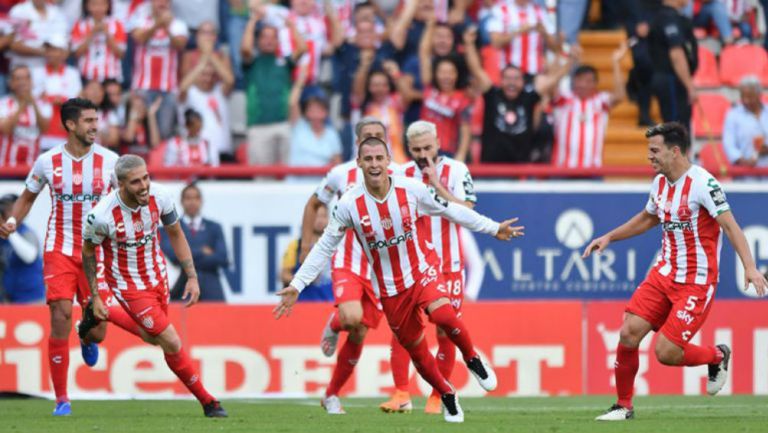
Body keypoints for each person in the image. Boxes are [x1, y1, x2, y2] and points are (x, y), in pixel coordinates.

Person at [276, 136, 525, 423]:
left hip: (421, 271)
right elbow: (324, 247)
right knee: (418, 353)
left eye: (379, 158)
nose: (374, 164)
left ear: (387, 161)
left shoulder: (411, 189)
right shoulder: (349, 204)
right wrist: (297, 284)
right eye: (367, 159)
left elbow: (451, 209)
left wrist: (493, 228)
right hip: (390, 289)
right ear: (359, 164)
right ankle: (446, 393)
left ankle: (472, 358)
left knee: (444, 314)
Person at [583, 122, 767, 421]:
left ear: (675, 151)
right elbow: (648, 218)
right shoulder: (659, 183)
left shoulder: (704, 184)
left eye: (655, 151)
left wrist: (750, 266)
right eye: (648, 151)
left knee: (666, 353)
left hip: (696, 282)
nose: (649, 157)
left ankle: (717, 355)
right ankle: (623, 405)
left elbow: (730, 226)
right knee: (628, 333)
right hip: (664, 273)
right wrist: (609, 237)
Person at [0, 98, 142, 416]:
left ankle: (86, 335)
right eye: (89, 120)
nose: (95, 126)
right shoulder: (48, 161)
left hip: (96, 253)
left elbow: (127, 202)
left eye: (96, 120)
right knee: (60, 315)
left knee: (98, 329)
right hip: (59, 249)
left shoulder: (111, 162)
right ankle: (62, 399)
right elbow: (26, 198)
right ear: (71, 125)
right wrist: (11, 223)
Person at [82, 155, 227, 418]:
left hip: (157, 277)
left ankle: (102, 312)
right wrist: (97, 293)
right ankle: (209, 402)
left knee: (152, 337)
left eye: (146, 177)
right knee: (171, 341)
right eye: (136, 181)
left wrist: (192, 276)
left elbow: (175, 233)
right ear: (121, 184)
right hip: (128, 286)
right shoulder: (101, 215)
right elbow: (88, 252)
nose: (144, 185)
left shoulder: (161, 196)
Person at [380, 120, 477, 414]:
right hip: (414, 265)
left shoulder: (457, 170)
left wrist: (436, 185)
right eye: (417, 149)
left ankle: (437, 396)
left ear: (437, 143)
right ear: (409, 149)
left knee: (446, 330)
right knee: (403, 330)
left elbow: (468, 211)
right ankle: (400, 393)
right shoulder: (400, 174)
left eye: (428, 148)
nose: (424, 154)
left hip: (449, 264)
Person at [297, 117, 391, 415]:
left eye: (378, 137)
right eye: (367, 137)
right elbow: (314, 204)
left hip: (380, 266)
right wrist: (306, 245)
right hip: (348, 258)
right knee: (351, 317)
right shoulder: (340, 174)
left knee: (360, 332)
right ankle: (336, 322)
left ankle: (331, 394)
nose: (372, 140)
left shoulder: (398, 175)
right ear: (357, 143)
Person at [463, 27, 569, 163]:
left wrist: (569, 61)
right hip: (490, 171)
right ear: (500, 81)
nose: (511, 83)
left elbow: (553, 79)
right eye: (507, 78)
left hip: (520, 173)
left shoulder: (529, 98)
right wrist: (469, 44)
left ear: (523, 82)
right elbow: (476, 69)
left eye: (516, 78)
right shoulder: (492, 94)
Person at [241, 7, 306, 166]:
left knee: (289, 176)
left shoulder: (284, 62)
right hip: (258, 127)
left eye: (273, 37)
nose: (269, 41)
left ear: (278, 41)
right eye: (264, 37)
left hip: (284, 124)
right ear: (258, 40)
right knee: (262, 180)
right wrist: (252, 21)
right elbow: (245, 49)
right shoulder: (252, 63)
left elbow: (302, 49)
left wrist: (291, 26)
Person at [552, 43, 629, 169]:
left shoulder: (600, 101)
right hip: (563, 170)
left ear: (595, 84)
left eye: (588, 81)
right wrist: (570, 61)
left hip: (592, 171)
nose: (582, 84)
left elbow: (620, 96)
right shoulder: (564, 99)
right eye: (579, 80)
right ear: (573, 81)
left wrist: (616, 62)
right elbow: (550, 84)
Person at [130, 0, 189, 139]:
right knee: (139, 133)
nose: (162, 3)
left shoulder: (178, 24)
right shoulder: (140, 20)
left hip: (168, 89)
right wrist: (158, 24)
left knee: (164, 133)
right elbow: (139, 38)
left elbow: (180, 44)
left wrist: (167, 28)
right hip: (142, 86)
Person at [160, 183, 228, 302]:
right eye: (188, 198)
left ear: (201, 201)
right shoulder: (169, 228)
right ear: (181, 201)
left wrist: (186, 254)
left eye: (196, 198)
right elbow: (174, 257)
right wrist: (203, 251)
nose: (192, 202)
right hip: (183, 288)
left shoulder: (214, 227)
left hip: (212, 289)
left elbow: (222, 258)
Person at [649, 0, 698, 128]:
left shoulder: (674, 17)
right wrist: (689, 86)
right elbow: (676, 54)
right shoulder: (667, 18)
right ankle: (677, 149)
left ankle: (680, 148)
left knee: (680, 128)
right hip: (671, 79)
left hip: (674, 80)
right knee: (676, 129)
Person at [32, 34, 83, 152]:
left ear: (64, 53)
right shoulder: (36, 72)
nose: (50, 53)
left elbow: (75, 101)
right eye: (48, 49)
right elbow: (33, 99)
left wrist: (49, 98)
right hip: (40, 134)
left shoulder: (72, 73)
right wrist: (58, 99)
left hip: (64, 135)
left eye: (54, 49)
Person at [487, 0, 559, 78]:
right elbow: (496, 43)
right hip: (509, 73)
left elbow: (555, 48)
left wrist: (544, 33)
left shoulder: (540, 12)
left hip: (534, 72)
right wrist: (519, 31)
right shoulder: (501, 10)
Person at [0, 65, 52, 167]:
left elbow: (45, 128)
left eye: (26, 78)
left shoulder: (42, 104)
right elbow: (5, 129)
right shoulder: (3, 103)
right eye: (18, 78)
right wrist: (22, 105)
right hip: (6, 168)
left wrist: (33, 104)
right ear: (11, 83)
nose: (22, 82)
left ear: (31, 82)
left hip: (33, 169)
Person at [280, 205, 333, 301]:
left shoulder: (338, 246)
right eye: (316, 216)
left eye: (323, 216)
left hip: (330, 303)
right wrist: (302, 280)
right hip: (305, 304)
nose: (320, 220)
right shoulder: (296, 245)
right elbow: (284, 275)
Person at [0, 193, 44, 304]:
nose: (5, 212)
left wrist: (8, 231)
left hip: (32, 298)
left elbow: (30, 256)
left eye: (10, 208)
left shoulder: (26, 233)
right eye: (3, 208)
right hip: (9, 298)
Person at [70, 0, 128, 83]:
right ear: (87, 6)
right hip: (86, 76)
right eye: (94, 4)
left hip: (110, 76)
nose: (98, 8)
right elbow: (76, 53)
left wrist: (107, 34)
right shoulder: (79, 25)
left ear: (108, 5)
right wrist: (92, 33)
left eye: (102, 4)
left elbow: (121, 53)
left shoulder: (117, 24)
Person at [722, 75, 768, 167]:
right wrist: (743, 161)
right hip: (744, 174)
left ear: (759, 95)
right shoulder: (733, 115)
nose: (746, 101)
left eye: (750, 97)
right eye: (743, 97)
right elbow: (729, 144)